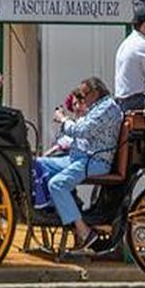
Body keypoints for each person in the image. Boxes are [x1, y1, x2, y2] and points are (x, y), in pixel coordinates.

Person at [35, 76, 122, 252]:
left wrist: (63, 119)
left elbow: (82, 131)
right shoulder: (98, 108)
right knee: (39, 164)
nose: (82, 100)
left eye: (84, 95)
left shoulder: (107, 107)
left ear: (95, 93)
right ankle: (49, 206)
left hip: (95, 161)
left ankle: (84, 231)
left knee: (57, 184)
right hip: (79, 157)